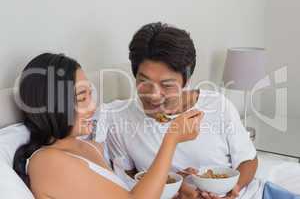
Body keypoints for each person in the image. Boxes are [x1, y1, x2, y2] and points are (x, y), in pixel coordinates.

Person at [96, 22, 261, 199]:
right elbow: (130, 177)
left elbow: (248, 160)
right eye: (144, 81)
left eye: (167, 85)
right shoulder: (118, 117)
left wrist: (232, 190)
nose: (154, 95)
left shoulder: (217, 105)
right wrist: (179, 186)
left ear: (186, 81)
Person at [13, 53, 203, 199]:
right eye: (81, 97)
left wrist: (171, 184)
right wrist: (171, 139)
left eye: (90, 93)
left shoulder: (87, 146)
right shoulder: (47, 163)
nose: (92, 106)